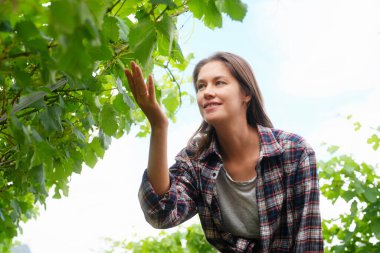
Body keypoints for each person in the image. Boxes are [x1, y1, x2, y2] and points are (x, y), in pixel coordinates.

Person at [125, 52, 324, 253]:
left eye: (219, 83)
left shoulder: (294, 152)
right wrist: (159, 126)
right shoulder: (196, 160)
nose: (207, 92)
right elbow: (161, 213)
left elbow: (308, 242)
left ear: (246, 93)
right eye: (201, 86)